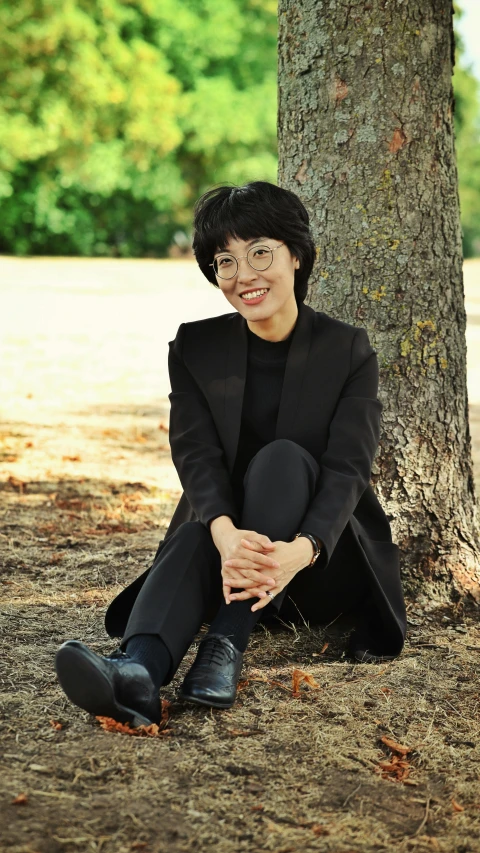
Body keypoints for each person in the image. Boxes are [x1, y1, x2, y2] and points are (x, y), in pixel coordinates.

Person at [55, 181, 407, 728]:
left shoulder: (348, 349)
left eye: (260, 252)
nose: (244, 275)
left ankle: (225, 645)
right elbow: (194, 456)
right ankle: (138, 674)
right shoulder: (195, 348)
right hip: (224, 556)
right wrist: (226, 536)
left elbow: (348, 467)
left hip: (312, 566)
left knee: (283, 459)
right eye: (226, 261)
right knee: (197, 529)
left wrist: (300, 551)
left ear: (296, 254)